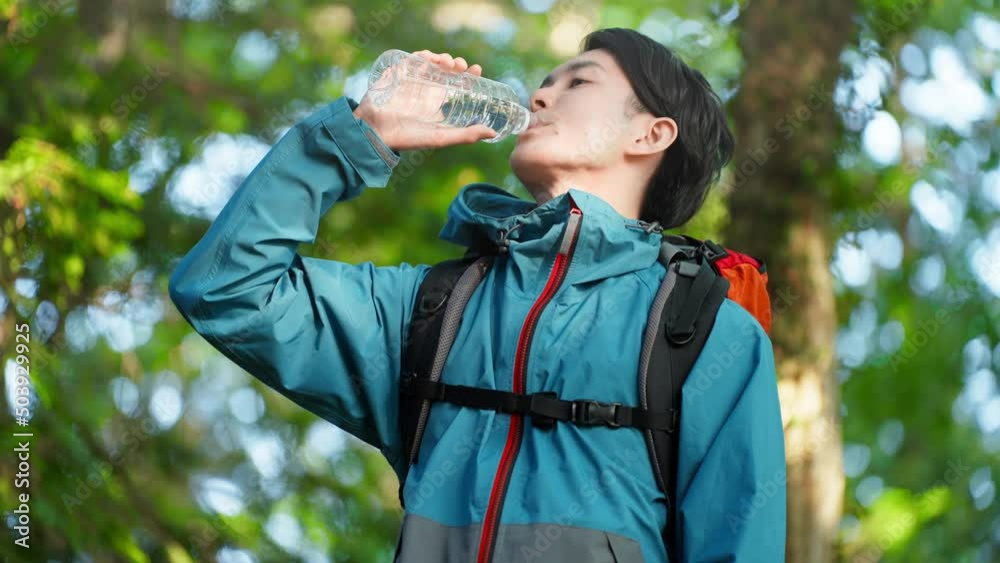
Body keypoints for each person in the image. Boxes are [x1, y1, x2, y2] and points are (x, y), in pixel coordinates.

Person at [170, 27, 786, 563]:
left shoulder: (703, 331)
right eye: (544, 83)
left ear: (651, 134)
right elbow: (226, 290)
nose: (539, 96)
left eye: (578, 82)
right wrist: (360, 137)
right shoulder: (427, 310)